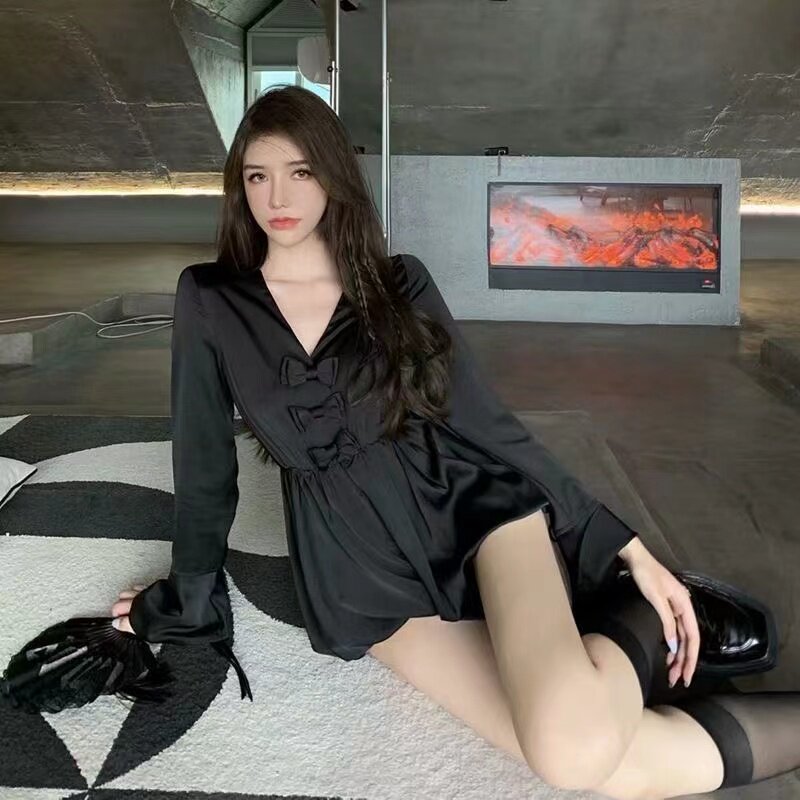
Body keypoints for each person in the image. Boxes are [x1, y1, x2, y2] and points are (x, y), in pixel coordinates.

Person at [110, 86, 799, 799]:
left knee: (570, 750)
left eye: (301, 171)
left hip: (473, 512)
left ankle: (643, 609)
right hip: (360, 575)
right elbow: (204, 468)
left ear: (333, 176)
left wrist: (625, 546)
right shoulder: (210, 299)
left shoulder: (399, 283)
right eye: (258, 176)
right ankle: (646, 637)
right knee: (598, 760)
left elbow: (485, 421)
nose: (277, 196)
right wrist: (188, 596)